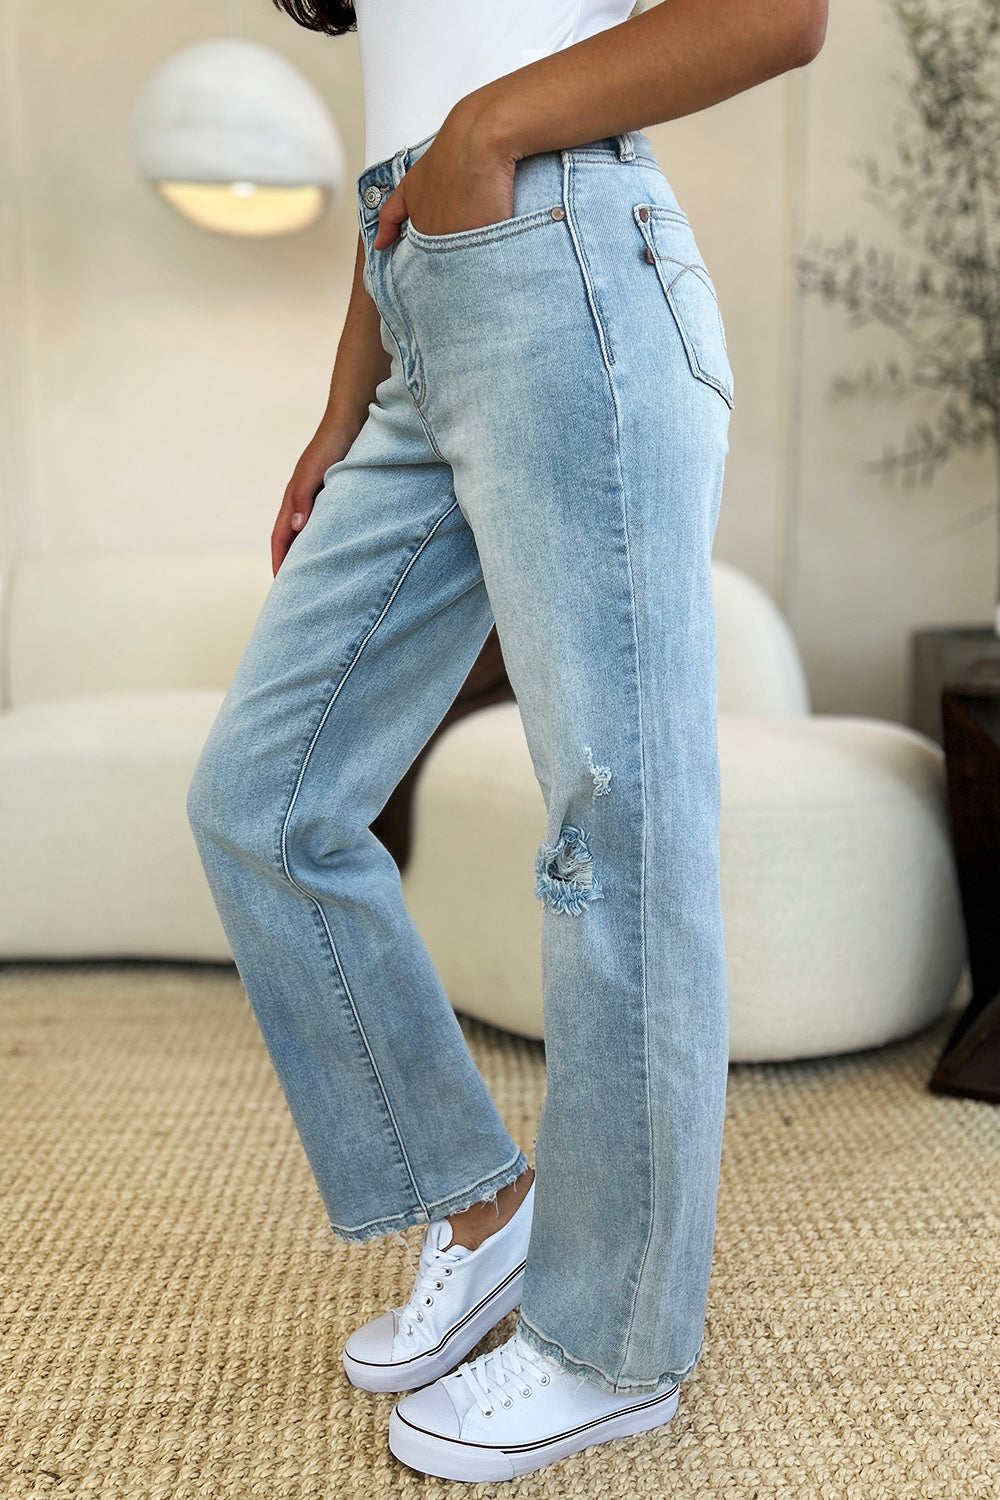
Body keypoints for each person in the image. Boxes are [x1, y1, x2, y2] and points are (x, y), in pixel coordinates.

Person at [186, 0, 827, 1482]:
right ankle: (486, 1208)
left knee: (620, 823)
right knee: (265, 799)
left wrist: (485, 133)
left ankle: (616, 1343)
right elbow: (406, 125)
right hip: (422, 307)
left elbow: (778, 14)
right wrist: (346, 399)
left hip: (572, 273)